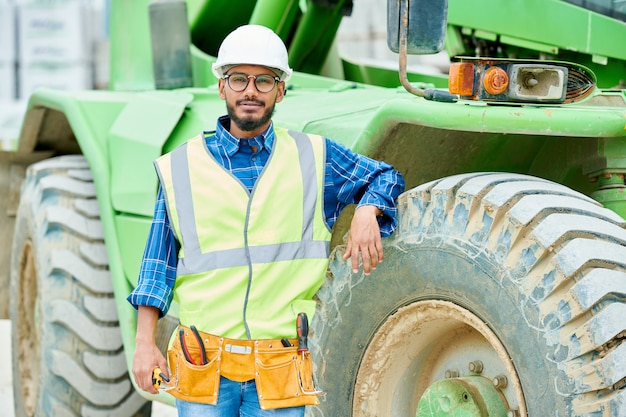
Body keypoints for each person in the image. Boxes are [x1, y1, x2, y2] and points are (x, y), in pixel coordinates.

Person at [128, 24, 405, 417]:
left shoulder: (315, 157)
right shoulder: (180, 167)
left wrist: (367, 209)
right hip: (204, 361)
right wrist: (144, 343)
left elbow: (386, 175)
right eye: (238, 79)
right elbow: (157, 267)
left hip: (280, 366)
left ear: (281, 90)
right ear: (222, 87)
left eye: (264, 80)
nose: (250, 90)